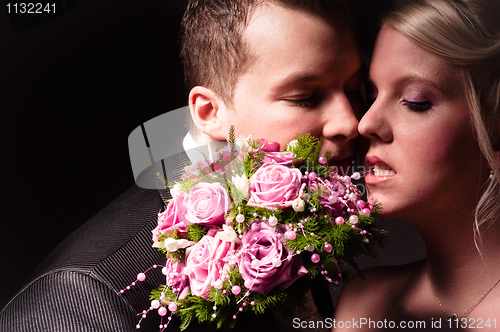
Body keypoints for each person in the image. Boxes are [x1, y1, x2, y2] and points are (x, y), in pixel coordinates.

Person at [0, 0, 363, 331]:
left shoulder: (306, 204)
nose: (351, 123)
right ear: (210, 112)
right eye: (306, 98)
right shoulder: (81, 298)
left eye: (354, 89)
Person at [334, 0, 500, 330]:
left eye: (415, 102)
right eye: (370, 94)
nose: (365, 124)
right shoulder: (362, 308)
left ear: (495, 133)